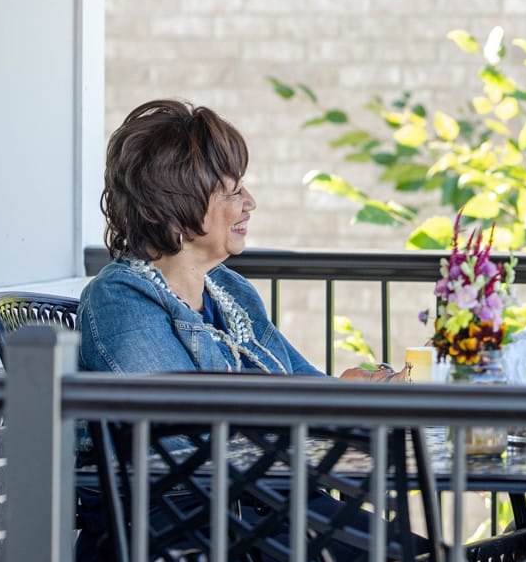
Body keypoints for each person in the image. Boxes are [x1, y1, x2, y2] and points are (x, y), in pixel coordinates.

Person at [80, 97, 401, 380]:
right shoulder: (121, 298)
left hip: (278, 448)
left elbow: (307, 386)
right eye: (234, 191)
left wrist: (380, 385)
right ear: (174, 204)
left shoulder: (230, 290)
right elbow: (182, 429)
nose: (250, 203)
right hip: (235, 451)